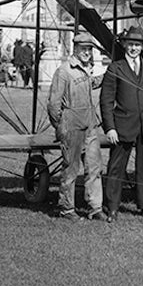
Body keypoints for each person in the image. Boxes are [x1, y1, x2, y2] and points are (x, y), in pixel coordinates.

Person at [100, 26, 143, 221]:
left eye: (137, 45)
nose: (134, 48)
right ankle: (112, 206)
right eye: (130, 44)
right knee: (116, 167)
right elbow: (106, 100)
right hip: (123, 126)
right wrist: (110, 127)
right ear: (124, 45)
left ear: (142, 47)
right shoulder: (116, 67)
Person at [47, 33, 106, 222]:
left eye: (89, 49)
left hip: (90, 125)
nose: (87, 52)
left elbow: (91, 83)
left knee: (94, 167)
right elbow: (53, 104)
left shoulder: (86, 70)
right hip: (71, 125)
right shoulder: (64, 71)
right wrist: (61, 126)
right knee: (71, 169)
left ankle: (95, 208)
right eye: (83, 49)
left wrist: (108, 75)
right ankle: (66, 208)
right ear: (75, 49)